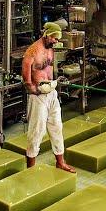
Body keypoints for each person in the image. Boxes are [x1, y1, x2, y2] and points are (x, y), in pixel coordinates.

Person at [21, 22, 75, 173]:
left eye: (57, 39)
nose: (56, 41)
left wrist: (55, 82)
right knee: (36, 131)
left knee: (57, 127)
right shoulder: (32, 51)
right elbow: (26, 76)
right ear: (46, 35)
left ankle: (60, 162)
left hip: (51, 93)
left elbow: (49, 68)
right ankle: (30, 167)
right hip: (38, 97)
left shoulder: (50, 49)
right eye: (54, 38)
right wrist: (33, 89)